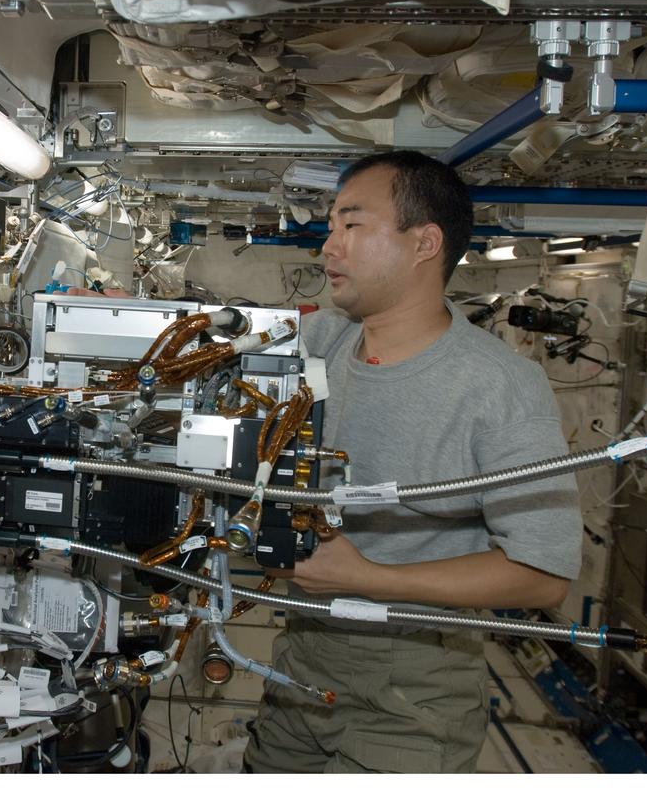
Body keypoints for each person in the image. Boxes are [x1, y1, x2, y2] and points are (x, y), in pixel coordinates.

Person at [241, 150, 581, 773]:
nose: (328, 247)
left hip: (414, 684)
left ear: (424, 243)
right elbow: (204, 343)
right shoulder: (323, 341)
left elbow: (542, 573)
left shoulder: (500, 386)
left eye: (351, 224)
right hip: (304, 655)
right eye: (330, 227)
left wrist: (370, 577)